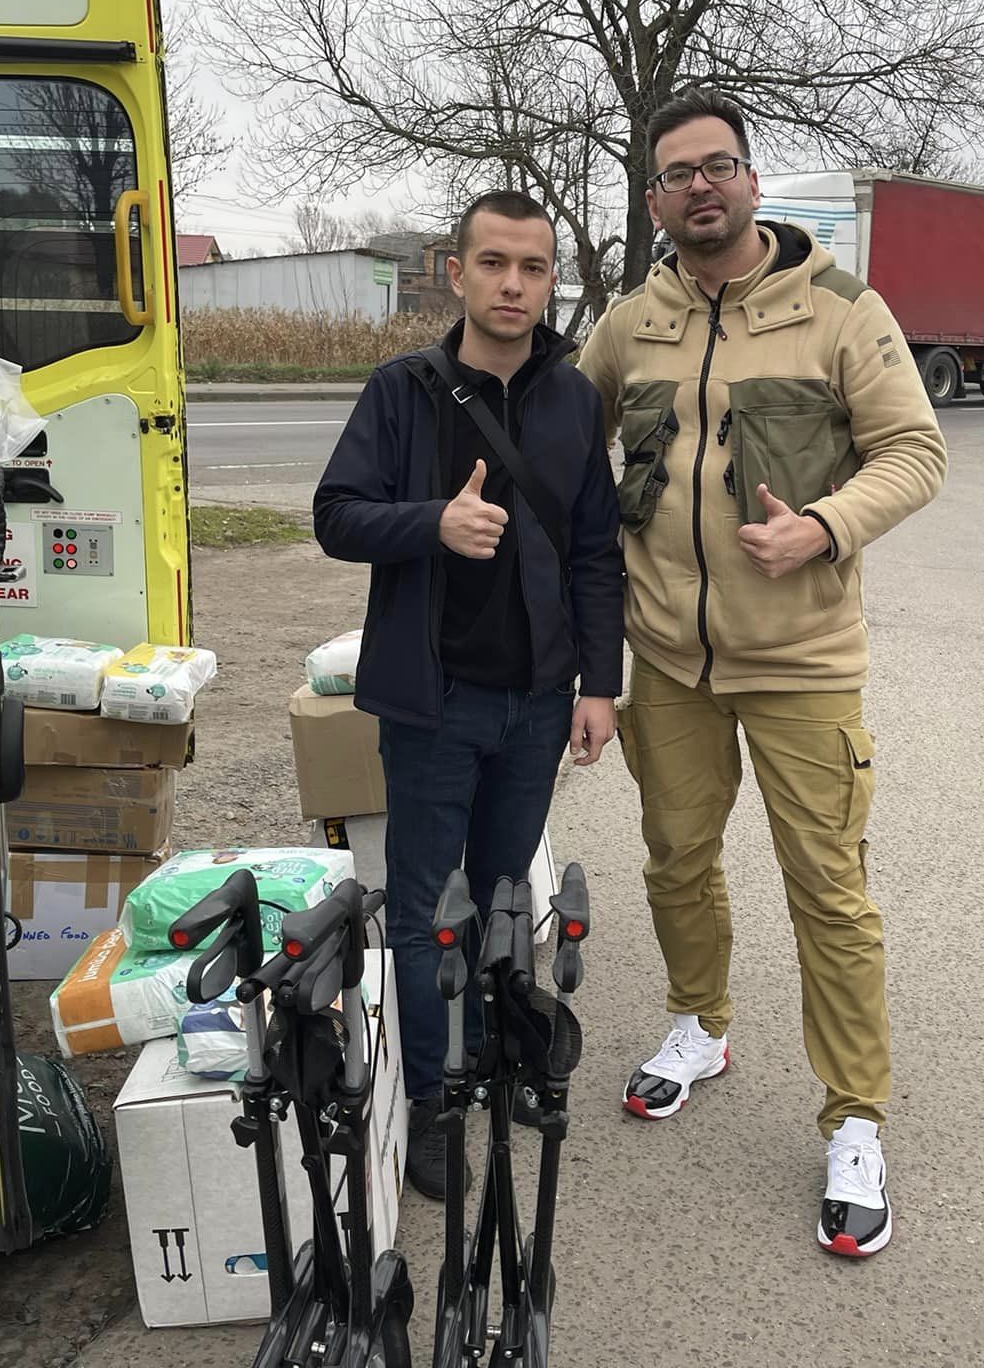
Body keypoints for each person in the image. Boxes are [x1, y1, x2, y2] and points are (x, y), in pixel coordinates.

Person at [578, 89, 946, 1257]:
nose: (700, 186)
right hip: (665, 658)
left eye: (718, 165)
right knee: (675, 859)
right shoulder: (629, 325)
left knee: (826, 889)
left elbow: (913, 452)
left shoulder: (840, 310)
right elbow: (561, 439)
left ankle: (854, 1119)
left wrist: (824, 526)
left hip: (799, 662)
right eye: (676, 172)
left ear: (749, 180)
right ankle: (699, 1024)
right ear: (653, 199)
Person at [314, 190, 624, 1200]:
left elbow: (595, 552)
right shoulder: (402, 390)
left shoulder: (573, 401)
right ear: (456, 273)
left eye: (532, 268)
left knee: (502, 899)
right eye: (493, 263)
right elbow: (335, 514)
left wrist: (599, 684)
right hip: (434, 701)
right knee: (421, 910)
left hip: (536, 703)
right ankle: (434, 1100)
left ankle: (492, 1057)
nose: (512, 285)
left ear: (550, 280)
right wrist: (432, 525)